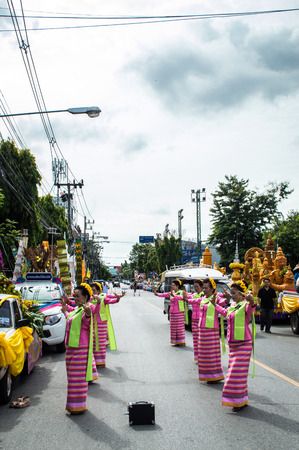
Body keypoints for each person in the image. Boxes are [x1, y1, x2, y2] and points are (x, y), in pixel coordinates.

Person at [212, 281, 256, 411]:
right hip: (233, 345)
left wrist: (252, 301)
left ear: (241, 294)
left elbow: (252, 306)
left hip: (244, 344)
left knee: (234, 374)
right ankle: (242, 399)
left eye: (234, 293)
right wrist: (215, 305)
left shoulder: (245, 305)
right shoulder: (233, 305)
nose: (232, 296)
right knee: (239, 374)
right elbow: (225, 313)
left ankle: (235, 401)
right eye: (231, 293)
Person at [61, 284, 101, 414]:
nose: (75, 298)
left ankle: (78, 406)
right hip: (71, 349)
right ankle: (73, 405)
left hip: (80, 349)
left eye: (77, 296)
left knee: (77, 380)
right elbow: (69, 318)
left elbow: (88, 317)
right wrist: (65, 311)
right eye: (74, 295)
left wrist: (88, 312)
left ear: (85, 297)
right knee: (72, 379)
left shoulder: (86, 310)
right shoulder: (76, 310)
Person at [197, 278, 229, 383]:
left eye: (206, 288)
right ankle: (206, 375)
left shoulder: (216, 298)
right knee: (203, 354)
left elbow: (225, 302)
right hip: (202, 329)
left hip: (211, 329)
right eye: (203, 288)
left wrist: (228, 298)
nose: (204, 290)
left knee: (211, 353)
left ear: (212, 289)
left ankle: (215, 375)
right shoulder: (203, 299)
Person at [90, 282, 125, 367]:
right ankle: (93, 363)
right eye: (91, 290)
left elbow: (112, 300)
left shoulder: (103, 298)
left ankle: (100, 362)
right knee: (92, 344)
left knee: (101, 344)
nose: (92, 292)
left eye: (94, 290)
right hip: (91, 324)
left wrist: (118, 298)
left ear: (98, 291)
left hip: (101, 324)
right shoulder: (89, 299)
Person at [153, 279, 187, 346]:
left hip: (179, 312)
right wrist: (157, 294)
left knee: (179, 328)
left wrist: (174, 296)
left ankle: (181, 341)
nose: (172, 286)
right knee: (173, 328)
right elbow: (165, 294)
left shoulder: (182, 292)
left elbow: (183, 298)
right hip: (172, 312)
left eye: (173, 285)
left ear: (177, 286)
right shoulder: (172, 292)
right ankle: (175, 341)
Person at [186, 279, 204, 362]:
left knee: (201, 340)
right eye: (195, 287)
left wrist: (187, 300)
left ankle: (203, 356)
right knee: (195, 339)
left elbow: (196, 301)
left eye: (197, 287)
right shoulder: (194, 295)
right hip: (194, 319)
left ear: (201, 287)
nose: (196, 288)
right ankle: (197, 356)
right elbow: (187, 296)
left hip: (201, 320)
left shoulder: (203, 296)